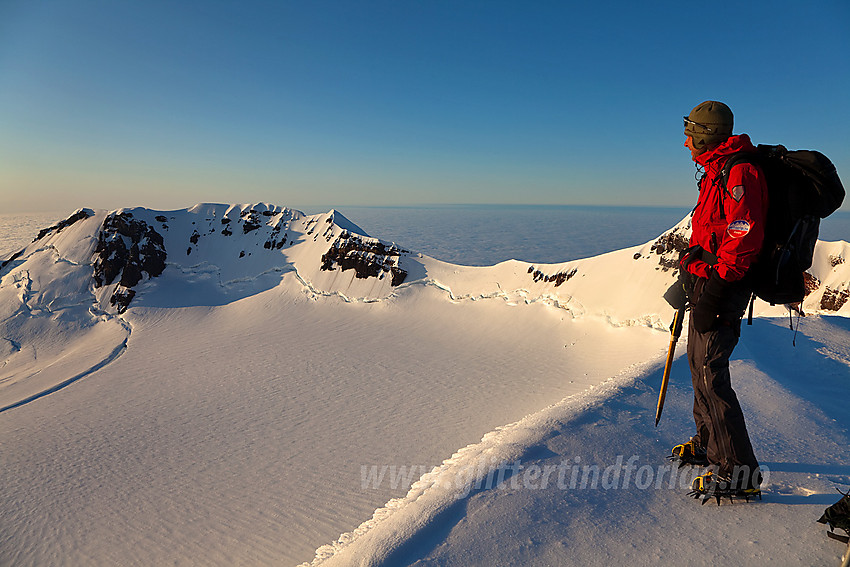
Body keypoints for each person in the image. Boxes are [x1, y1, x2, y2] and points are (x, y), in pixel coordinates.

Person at [672, 100, 767, 499]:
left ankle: (738, 473)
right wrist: (690, 271)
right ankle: (712, 445)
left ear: (707, 135)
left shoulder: (739, 171)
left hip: (723, 287)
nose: (686, 142)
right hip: (706, 282)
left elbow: (743, 238)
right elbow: (709, 230)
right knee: (697, 367)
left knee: (712, 373)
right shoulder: (715, 170)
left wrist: (715, 290)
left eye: (690, 133)